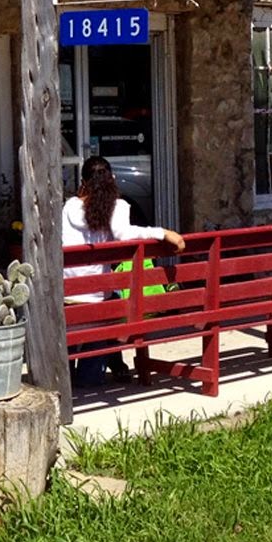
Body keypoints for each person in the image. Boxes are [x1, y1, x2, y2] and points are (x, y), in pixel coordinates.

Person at [62, 155, 186, 384]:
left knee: (103, 301)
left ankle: (69, 372)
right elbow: (124, 234)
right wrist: (162, 233)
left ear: (83, 182)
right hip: (98, 301)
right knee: (113, 299)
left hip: (66, 297)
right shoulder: (116, 207)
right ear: (113, 179)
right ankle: (99, 371)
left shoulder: (68, 207)